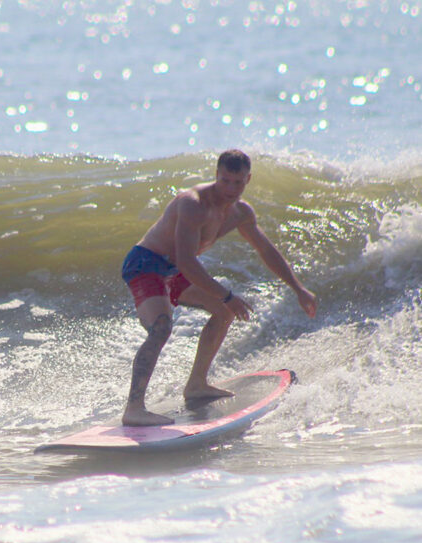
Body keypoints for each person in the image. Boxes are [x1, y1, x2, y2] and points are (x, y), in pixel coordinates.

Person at [121, 149, 317, 426]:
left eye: (238, 183)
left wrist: (298, 288)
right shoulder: (192, 204)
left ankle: (197, 385)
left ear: (248, 179)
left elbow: (265, 250)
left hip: (173, 270)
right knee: (162, 327)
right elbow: (187, 261)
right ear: (216, 175)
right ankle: (134, 409)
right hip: (147, 264)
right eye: (225, 181)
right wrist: (227, 295)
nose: (231, 189)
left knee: (224, 312)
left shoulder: (240, 213)